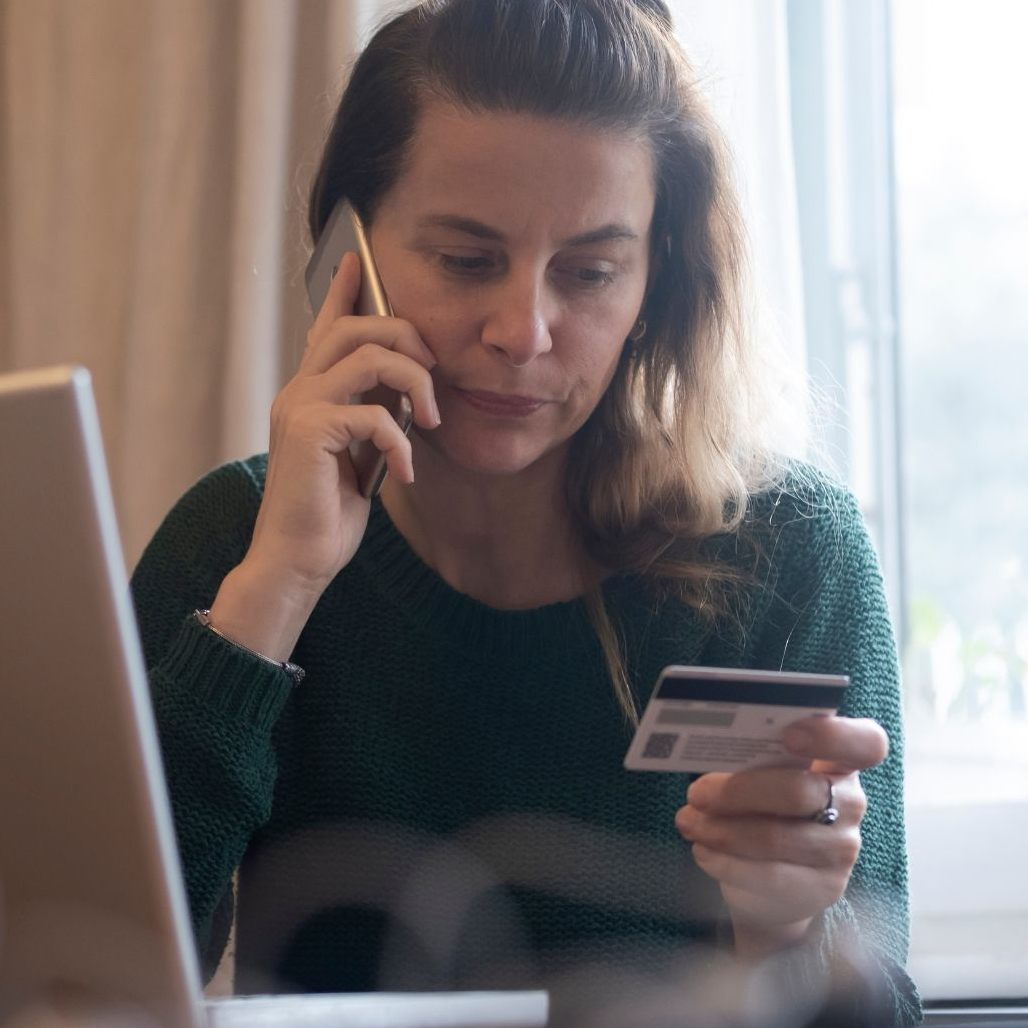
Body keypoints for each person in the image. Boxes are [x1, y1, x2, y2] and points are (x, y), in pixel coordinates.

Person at [130, 0, 922, 1023]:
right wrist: (274, 591)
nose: (523, 331)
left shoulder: (787, 554)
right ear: (346, 255)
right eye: (465, 259)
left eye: (589, 272)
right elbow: (93, 976)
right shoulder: (231, 544)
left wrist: (789, 936)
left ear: (657, 282)